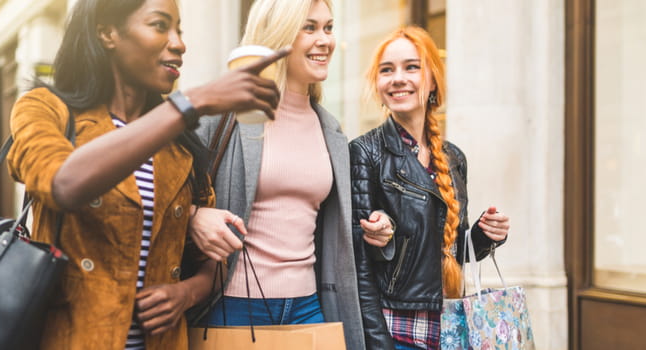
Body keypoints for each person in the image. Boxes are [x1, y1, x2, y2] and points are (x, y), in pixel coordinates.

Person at [5, 0, 289, 349]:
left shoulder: (179, 143)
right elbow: (64, 183)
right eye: (159, 25)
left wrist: (184, 293)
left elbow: (214, 268)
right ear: (107, 33)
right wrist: (190, 103)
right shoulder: (46, 108)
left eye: (180, 30)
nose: (179, 43)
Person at [193, 0, 367, 349]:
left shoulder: (330, 129)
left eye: (329, 28)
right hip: (233, 306)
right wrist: (194, 217)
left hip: (309, 307)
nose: (325, 40)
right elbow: (162, 189)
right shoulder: (227, 114)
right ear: (278, 35)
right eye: (309, 27)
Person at [349, 26, 511, 350]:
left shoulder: (453, 157)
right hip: (397, 332)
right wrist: (378, 343)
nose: (398, 78)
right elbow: (358, 265)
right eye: (387, 70)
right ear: (378, 85)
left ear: (433, 79)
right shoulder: (365, 152)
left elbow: (452, 249)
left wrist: (484, 235)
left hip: (451, 328)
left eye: (412, 66)